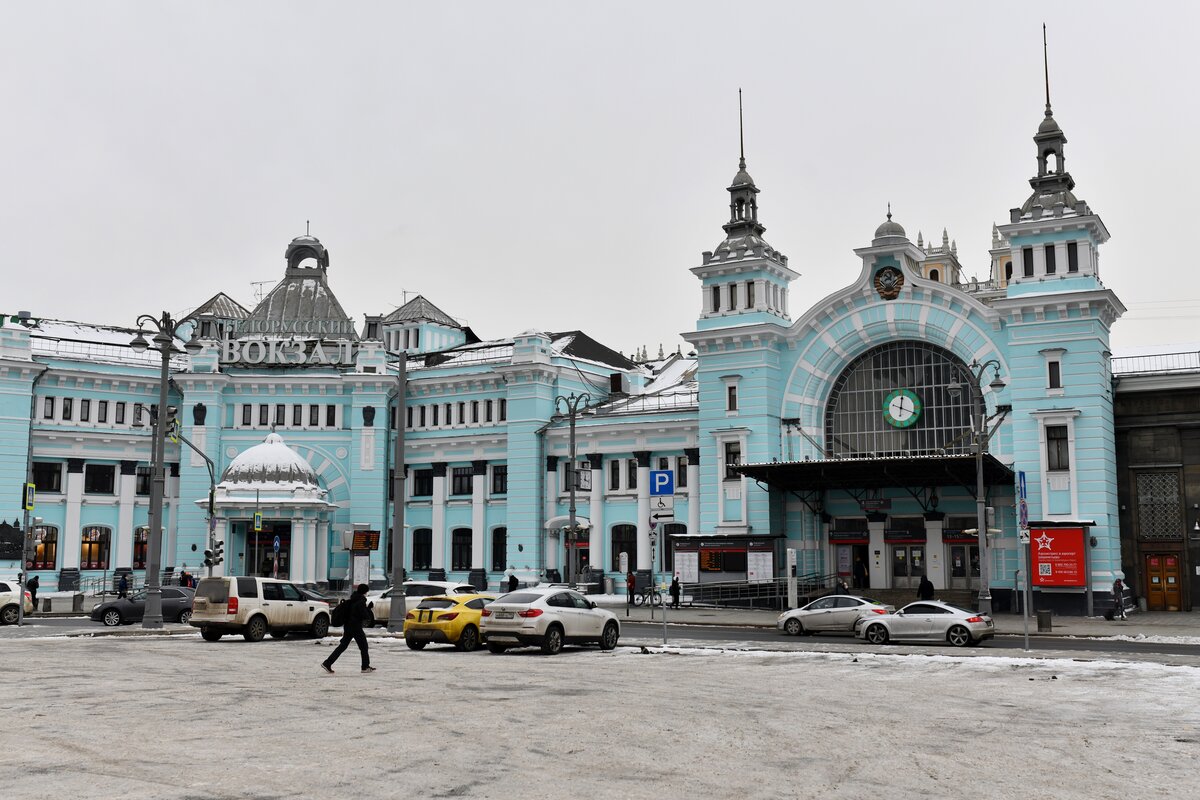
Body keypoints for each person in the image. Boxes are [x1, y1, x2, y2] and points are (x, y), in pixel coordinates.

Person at [322, 583, 374, 674]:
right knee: (364, 646)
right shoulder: (361, 601)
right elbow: (365, 616)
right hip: (356, 627)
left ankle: (327, 663)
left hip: (348, 626)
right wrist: (369, 609)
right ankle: (365, 667)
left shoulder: (353, 598)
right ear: (365, 592)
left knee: (343, 646)